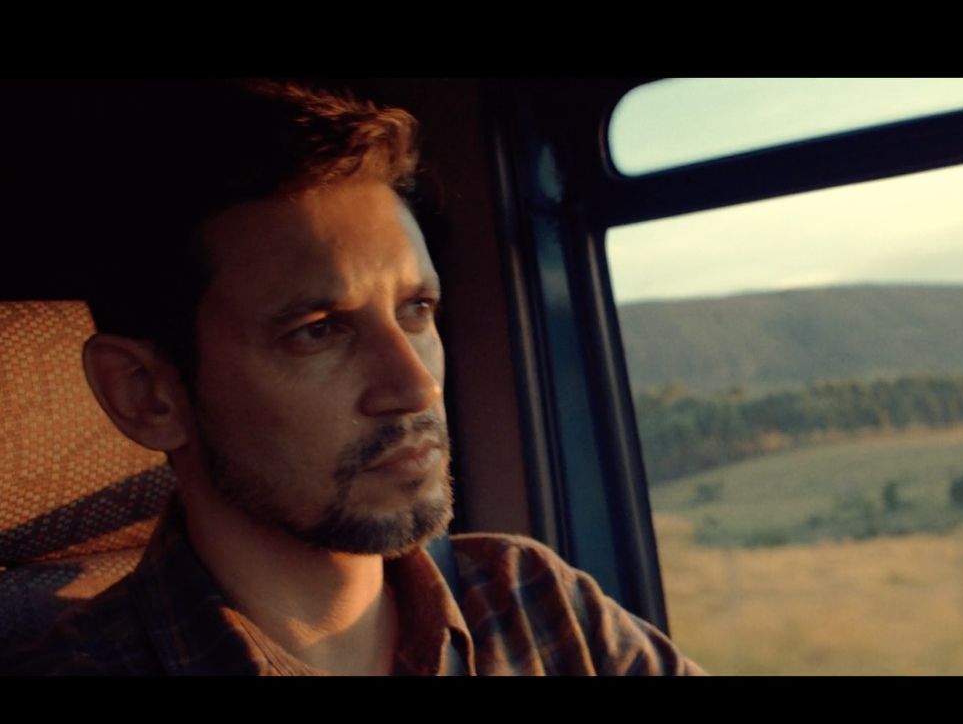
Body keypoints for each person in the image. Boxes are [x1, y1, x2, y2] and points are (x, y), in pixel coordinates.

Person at [7, 80, 703, 676]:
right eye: (318, 331)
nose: (416, 387)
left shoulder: (531, 599)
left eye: (417, 311)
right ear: (146, 394)